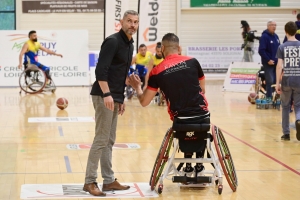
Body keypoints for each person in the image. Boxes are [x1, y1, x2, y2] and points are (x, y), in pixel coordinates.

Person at [129, 33, 209, 176]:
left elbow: (144, 102)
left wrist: (138, 87)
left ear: (163, 48)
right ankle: (198, 165)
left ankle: (189, 165)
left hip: (181, 119)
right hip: (202, 115)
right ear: (179, 47)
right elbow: (202, 90)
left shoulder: (157, 71)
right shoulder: (193, 61)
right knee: (200, 128)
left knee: (184, 128)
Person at [84, 10, 139, 196]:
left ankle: (108, 181)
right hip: (103, 95)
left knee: (109, 140)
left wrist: (120, 98)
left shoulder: (130, 44)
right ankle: (89, 181)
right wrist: (107, 94)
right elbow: (101, 71)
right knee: (101, 139)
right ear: (121, 22)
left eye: (135, 22)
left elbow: (121, 75)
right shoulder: (113, 41)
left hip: (115, 96)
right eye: (129, 21)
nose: (132, 25)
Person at [275, 21, 300, 141]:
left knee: (285, 107)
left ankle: (286, 133)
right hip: (299, 80)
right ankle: (298, 120)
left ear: (285, 32)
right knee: (298, 106)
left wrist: (277, 83)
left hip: (286, 81)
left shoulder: (282, 47)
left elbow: (279, 66)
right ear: (296, 31)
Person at [258, 20, 280, 99]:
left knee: (275, 81)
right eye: (272, 25)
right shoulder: (264, 37)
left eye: (275, 25)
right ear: (268, 26)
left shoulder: (276, 36)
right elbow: (261, 50)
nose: (274, 27)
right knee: (270, 81)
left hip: (276, 63)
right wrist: (268, 60)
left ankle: (275, 98)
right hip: (268, 64)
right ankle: (269, 98)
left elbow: (279, 49)